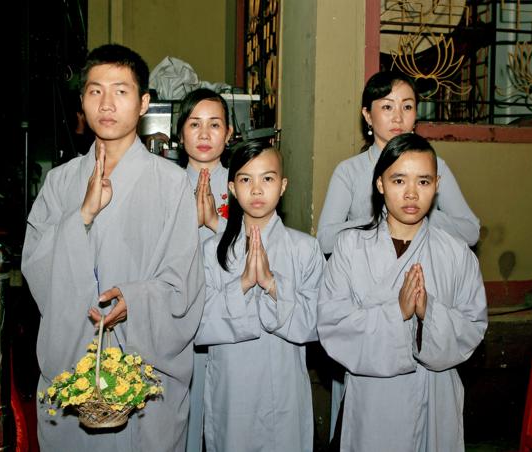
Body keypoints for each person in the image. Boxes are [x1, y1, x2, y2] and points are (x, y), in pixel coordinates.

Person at [21, 44, 205, 451]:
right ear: (82, 101)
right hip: (72, 359)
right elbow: (35, 270)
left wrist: (136, 300)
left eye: (120, 91)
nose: (106, 104)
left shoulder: (172, 183)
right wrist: (82, 216)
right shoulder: (60, 183)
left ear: (143, 103)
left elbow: (184, 284)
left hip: (145, 367)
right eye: (95, 91)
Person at [317, 70, 481, 438]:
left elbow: (469, 229)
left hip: (428, 265)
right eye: (387, 107)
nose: (397, 117)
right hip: (372, 354)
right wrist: (382, 219)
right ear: (367, 114)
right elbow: (326, 238)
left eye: (407, 107)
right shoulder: (350, 175)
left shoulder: (434, 169)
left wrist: (420, 217)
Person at [195, 141, 324, 452]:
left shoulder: (305, 249)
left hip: (284, 388)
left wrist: (271, 285)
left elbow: (318, 324)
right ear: (232, 188)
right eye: (245, 179)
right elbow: (198, 325)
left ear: (283, 186)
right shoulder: (211, 251)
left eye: (267, 178)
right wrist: (241, 284)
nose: (256, 190)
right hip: (232, 388)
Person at [176, 88, 233, 452]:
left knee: (227, 416)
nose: (204, 134)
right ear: (180, 133)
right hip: (179, 311)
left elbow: (258, 246)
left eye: (214, 125)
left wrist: (215, 223)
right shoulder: (164, 185)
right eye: (194, 124)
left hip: (229, 312)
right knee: (182, 416)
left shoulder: (244, 183)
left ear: (229, 134)